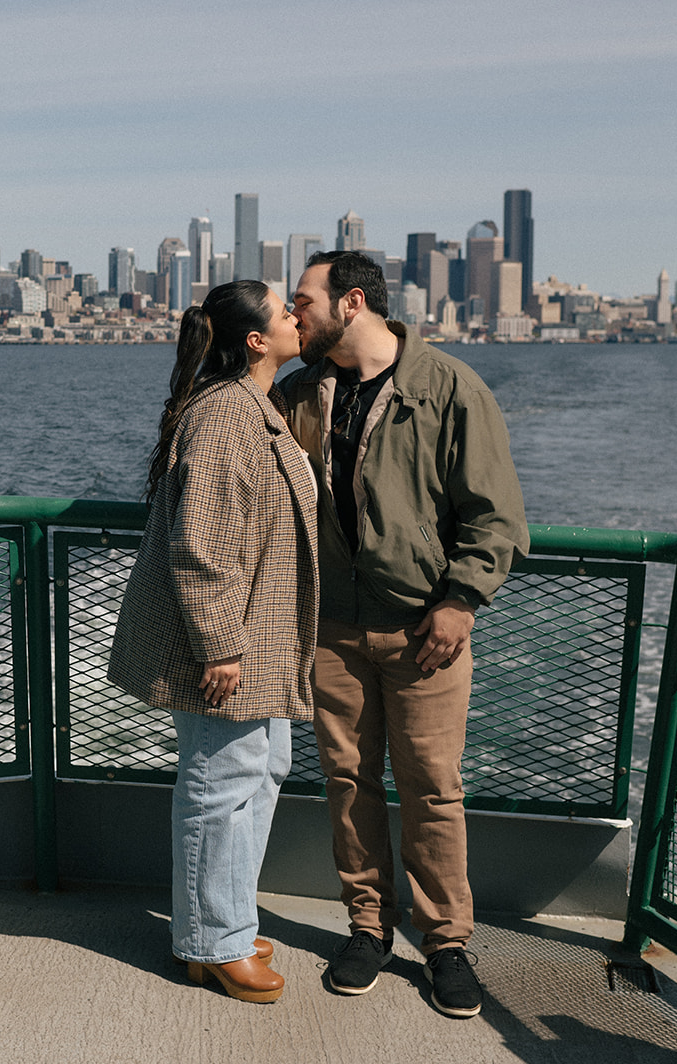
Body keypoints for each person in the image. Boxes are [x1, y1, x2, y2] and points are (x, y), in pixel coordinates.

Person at [279, 251, 528, 1018]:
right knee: (347, 781)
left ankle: (446, 942)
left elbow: (496, 517)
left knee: (432, 787)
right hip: (332, 630)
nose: (296, 319)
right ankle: (366, 926)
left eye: (304, 303)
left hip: (426, 632)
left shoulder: (450, 390)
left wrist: (460, 602)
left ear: (352, 302)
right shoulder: (299, 393)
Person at [108, 279, 318, 1004]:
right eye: (285, 312)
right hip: (229, 644)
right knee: (221, 784)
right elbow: (202, 545)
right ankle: (210, 943)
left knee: (258, 774)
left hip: (258, 636)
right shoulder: (228, 414)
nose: (297, 317)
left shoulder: (253, 407)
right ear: (256, 340)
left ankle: (224, 922)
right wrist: (219, 646)